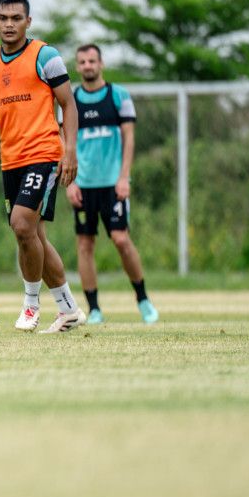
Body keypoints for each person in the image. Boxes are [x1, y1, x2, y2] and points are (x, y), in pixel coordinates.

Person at [0, 0, 85, 333]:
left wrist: (70, 151)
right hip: (11, 160)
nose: (9, 25)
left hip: (45, 154)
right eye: (3, 18)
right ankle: (68, 308)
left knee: (22, 225)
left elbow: (68, 104)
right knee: (34, 235)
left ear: (28, 22)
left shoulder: (45, 56)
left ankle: (30, 304)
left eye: (16, 18)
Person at [66, 44, 158, 325]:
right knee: (85, 244)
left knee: (121, 239)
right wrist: (69, 182)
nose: (87, 66)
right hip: (82, 185)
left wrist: (123, 177)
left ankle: (143, 300)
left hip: (112, 185)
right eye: (82, 62)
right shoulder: (71, 100)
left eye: (92, 60)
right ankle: (94, 309)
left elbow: (129, 139)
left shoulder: (118, 96)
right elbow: (64, 142)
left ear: (101, 63)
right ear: (78, 66)